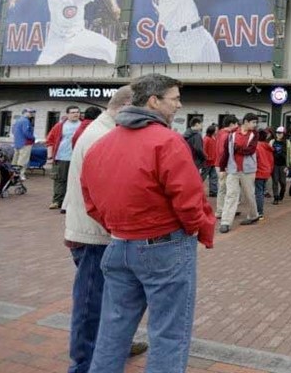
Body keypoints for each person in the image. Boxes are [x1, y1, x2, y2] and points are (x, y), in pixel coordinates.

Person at [81, 74, 215, 372]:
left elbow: (90, 199)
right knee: (169, 332)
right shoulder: (167, 141)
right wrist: (197, 228)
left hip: (118, 245)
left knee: (112, 331)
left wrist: (118, 225)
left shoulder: (101, 145)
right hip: (164, 246)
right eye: (175, 99)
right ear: (154, 101)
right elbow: (189, 198)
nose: (179, 105)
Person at [61, 85, 148, 372]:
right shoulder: (102, 136)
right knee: (91, 306)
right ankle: (84, 364)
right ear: (126, 108)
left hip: (97, 233)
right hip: (95, 237)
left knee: (112, 302)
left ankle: (115, 344)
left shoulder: (106, 131)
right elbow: (105, 195)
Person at [7, 0, 121, 65]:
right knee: (40, 68)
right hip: (56, 39)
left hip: (78, 36)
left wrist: (114, 5)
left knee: (112, 50)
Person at [219, 113, 260, 233]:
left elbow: (250, 150)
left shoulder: (254, 134)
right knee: (231, 195)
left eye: (256, 123)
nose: (255, 125)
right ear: (246, 122)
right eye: (253, 122)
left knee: (249, 195)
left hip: (248, 170)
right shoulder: (231, 135)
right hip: (233, 169)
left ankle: (253, 216)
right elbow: (226, 152)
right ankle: (225, 222)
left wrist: (237, 148)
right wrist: (222, 169)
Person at [45, 106, 83, 210]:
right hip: (62, 157)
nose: (76, 114)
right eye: (73, 112)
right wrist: (50, 156)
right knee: (60, 180)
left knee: (76, 181)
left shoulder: (83, 125)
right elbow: (50, 140)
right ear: (67, 114)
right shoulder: (60, 126)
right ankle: (57, 201)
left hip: (77, 157)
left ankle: (73, 202)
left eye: (77, 112)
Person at [271, 126, 291, 204]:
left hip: (283, 165)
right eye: (277, 133)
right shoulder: (272, 141)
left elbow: (290, 153)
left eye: (280, 133)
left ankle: (282, 192)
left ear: (284, 134)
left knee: (283, 182)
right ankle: (276, 197)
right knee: (275, 181)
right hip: (274, 164)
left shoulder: (287, 142)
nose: (278, 134)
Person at [12, 108, 36, 172]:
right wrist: (33, 137)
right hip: (25, 143)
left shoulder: (17, 120)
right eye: (30, 112)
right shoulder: (26, 121)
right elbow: (26, 132)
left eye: (32, 112)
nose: (31, 114)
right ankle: (20, 174)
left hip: (17, 143)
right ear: (24, 112)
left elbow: (13, 131)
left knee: (15, 159)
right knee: (23, 160)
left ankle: (12, 173)